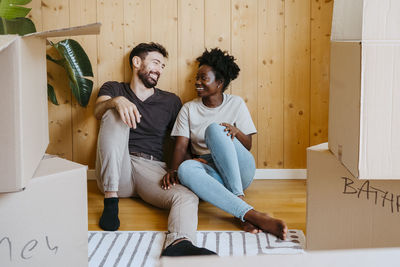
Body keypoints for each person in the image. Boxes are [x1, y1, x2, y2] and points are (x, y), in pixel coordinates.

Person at [94, 42, 216, 256]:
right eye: (155, 63)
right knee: (112, 113)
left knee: (187, 197)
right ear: (136, 62)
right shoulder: (114, 89)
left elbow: (182, 140)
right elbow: (97, 111)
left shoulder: (170, 101)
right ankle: (111, 202)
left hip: (151, 168)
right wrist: (117, 101)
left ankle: (179, 243)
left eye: (162, 66)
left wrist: (188, 168)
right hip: (116, 168)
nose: (159, 69)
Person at [162, 48, 288, 240]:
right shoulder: (189, 108)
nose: (197, 82)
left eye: (204, 78)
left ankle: (238, 199)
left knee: (214, 129)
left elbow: (247, 146)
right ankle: (249, 214)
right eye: (197, 77)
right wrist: (174, 170)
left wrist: (236, 132)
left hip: (239, 170)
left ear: (219, 83)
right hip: (211, 172)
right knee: (186, 169)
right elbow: (180, 146)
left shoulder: (236, 103)